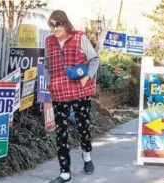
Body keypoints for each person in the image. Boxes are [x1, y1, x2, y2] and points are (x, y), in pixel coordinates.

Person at [44, 10, 100, 183]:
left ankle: (87, 156)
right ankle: (65, 172)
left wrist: (87, 76)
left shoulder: (79, 37)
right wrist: (48, 82)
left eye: (57, 24)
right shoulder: (49, 42)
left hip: (80, 91)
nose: (55, 29)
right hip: (59, 92)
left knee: (83, 127)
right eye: (52, 25)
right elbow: (46, 65)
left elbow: (94, 59)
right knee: (61, 132)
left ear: (65, 23)